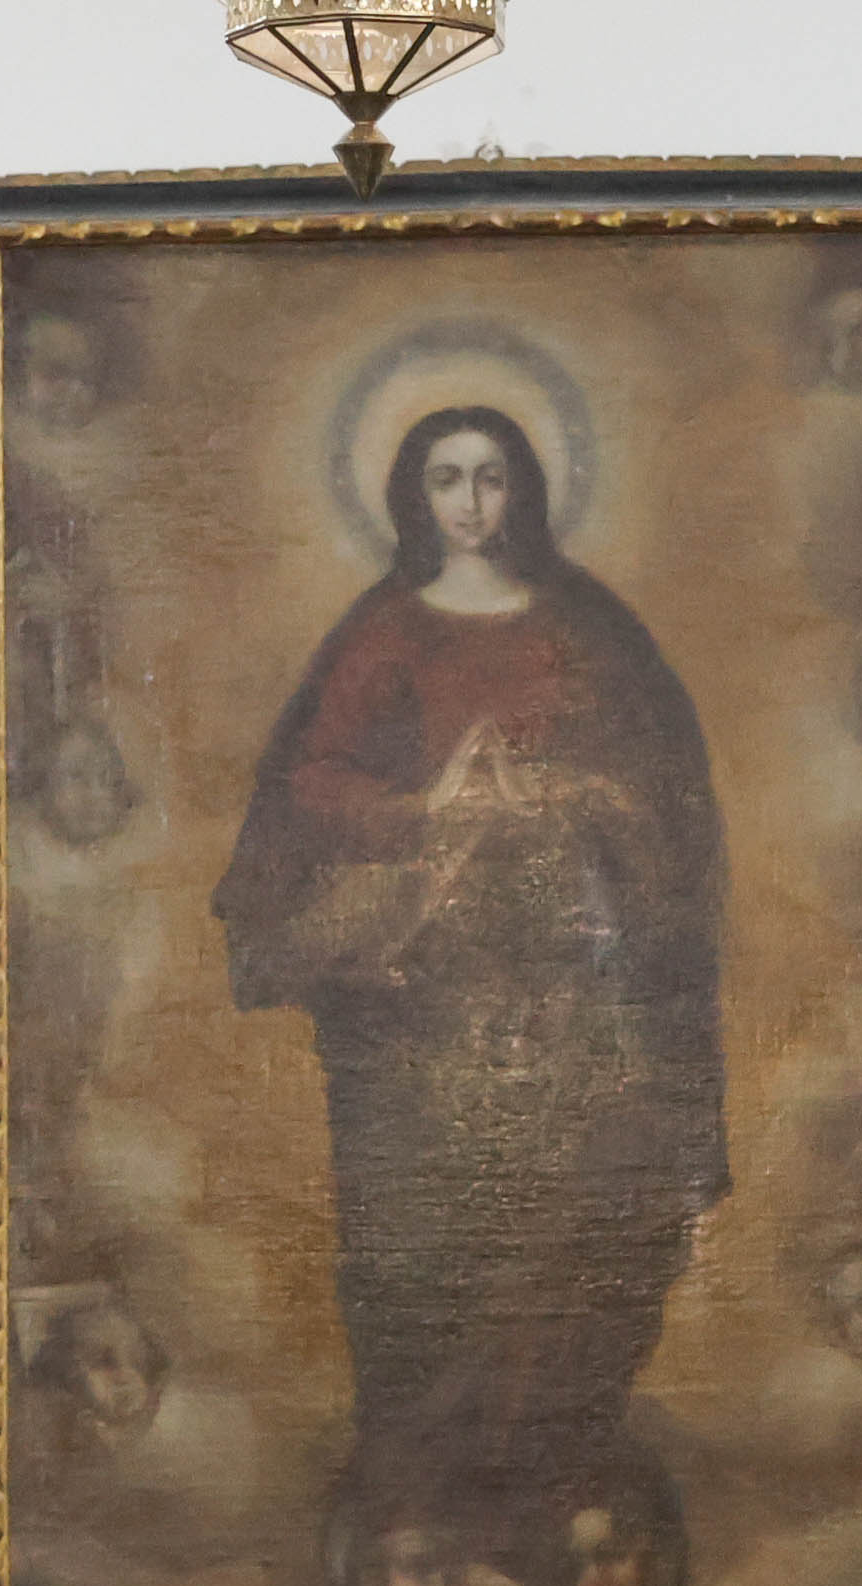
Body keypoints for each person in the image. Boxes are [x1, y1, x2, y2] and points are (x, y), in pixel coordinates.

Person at [214, 404, 729, 1485]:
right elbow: (313, 779)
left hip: (572, 983)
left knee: (578, 1210)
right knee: (423, 1223)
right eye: (447, 478)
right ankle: (422, 1459)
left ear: (523, 488)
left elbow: (663, 784)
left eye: (491, 477)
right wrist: (425, 808)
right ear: (414, 493)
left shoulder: (587, 629)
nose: (471, 502)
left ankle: (560, 1443)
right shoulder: (387, 631)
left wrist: (574, 793)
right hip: (424, 993)